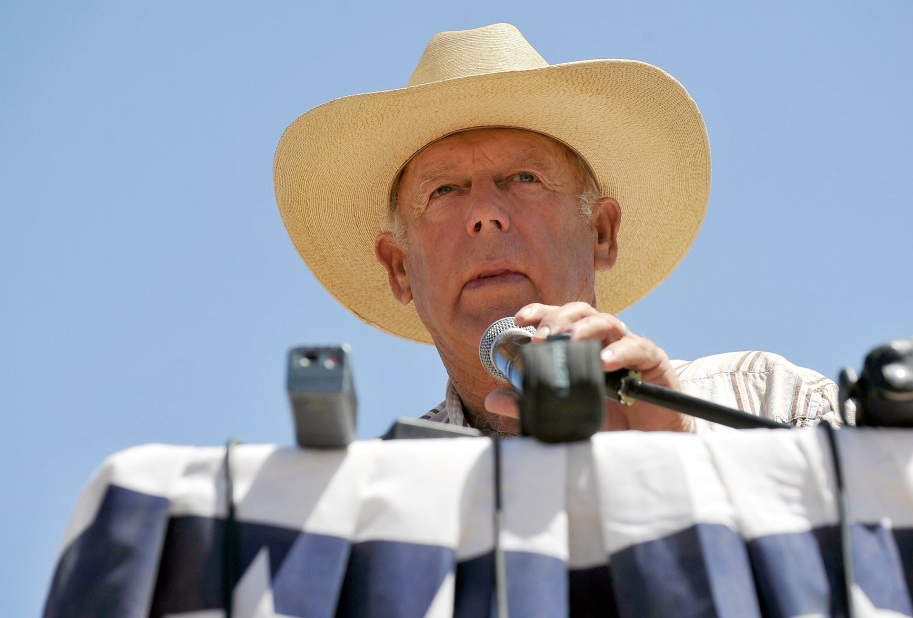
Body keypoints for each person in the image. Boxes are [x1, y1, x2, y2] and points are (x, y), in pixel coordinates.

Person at [273, 23, 844, 436]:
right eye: (444, 191)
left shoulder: (773, 402)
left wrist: (673, 452)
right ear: (400, 268)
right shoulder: (375, 497)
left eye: (524, 177)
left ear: (601, 232)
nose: (484, 213)